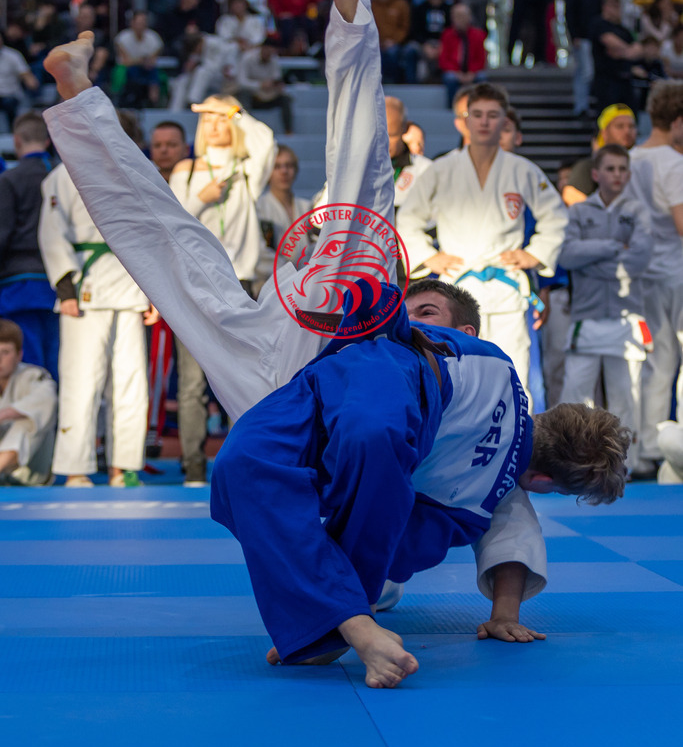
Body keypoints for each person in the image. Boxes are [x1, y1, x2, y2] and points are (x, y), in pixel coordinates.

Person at [42, 0, 555, 640]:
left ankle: (77, 95)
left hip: (273, 391)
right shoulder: (406, 340)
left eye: (430, 312)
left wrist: (502, 613)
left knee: (162, 251)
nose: (417, 315)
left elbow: (509, 517)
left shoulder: (485, 421)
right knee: (358, 182)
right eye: (417, 305)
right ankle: (348, 5)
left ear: (461, 336)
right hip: (334, 337)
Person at [210, 276, 629, 686]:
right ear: (542, 482)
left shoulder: (497, 363)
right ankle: (343, 621)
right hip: (386, 392)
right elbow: (425, 546)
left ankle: (342, 620)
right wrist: (503, 614)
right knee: (375, 448)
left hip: (338, 379)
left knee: (240, 466)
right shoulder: (479, 504)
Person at [397, 82, 568, 399]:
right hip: (457, 285)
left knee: (513, 376)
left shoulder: (522, 170)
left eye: (493, 115)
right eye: (477, 114)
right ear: (465, 121)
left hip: (505, 286)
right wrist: (429, 256)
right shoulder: (441, 170)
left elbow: (556, 216)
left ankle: (517, 432)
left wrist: (534, 254)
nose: (485, 122)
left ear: (504, 120)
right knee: (457, 375)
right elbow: (408, 219)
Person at [168, 96, 276, 483]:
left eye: (222, 119)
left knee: (242, 375)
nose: (215, 125)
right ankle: (194, 466)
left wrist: (235, 110)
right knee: (192, 381)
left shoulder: (248, 168)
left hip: (239, 282)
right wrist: (201, 199)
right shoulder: (187, 170)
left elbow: (266, 140)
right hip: (195, 284)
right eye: (209, 119)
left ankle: (240, 462)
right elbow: (171, 223)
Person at [37, 126, 150, 488]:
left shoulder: (132, 172)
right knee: (82, 380)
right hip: (85, 287)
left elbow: (151, 235)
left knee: (132, 382)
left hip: (130, 285)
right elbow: (51, 233)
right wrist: (65, 288)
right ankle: (76, 468)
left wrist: (154, 292)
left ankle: (123, 466)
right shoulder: (62, 176)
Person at [559, 145, 652, 438]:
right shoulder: (579, 212)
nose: (617, 175)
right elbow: (567, 256)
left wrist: (589, 263)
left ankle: (627, 461)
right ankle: (570, 457)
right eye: (610, 169)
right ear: (596, 174)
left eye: (622, 169)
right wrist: (612, 247)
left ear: (629, 174)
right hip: (586, 318)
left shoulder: (638, 211)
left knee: (626, 399)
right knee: (575, 398)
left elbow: (638, 261)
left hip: (627, 318)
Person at [624, 81, 683, 478]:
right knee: (669, 360)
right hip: (674, 272)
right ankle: (667, 443)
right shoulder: (674, 163)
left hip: (638, 273)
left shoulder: (629, 158)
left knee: (651, 361)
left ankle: (646, 446)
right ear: (677, 121)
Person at [0, 113, 58, 380]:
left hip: (18, 283)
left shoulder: (9, 180)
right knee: (59, 356)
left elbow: (2, 234)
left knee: (28, 361)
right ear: (47, 141)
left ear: (17, 141)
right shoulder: (63, 176)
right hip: (59, 281)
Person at [0, 318, 57, 485]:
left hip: (31, 472)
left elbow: (47, 399)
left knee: (27, 421)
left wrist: (5, 414)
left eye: (5, 352)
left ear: (19, 355)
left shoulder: (34, 376)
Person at [562, 104, 637, 206]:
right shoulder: (587, 167)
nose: (627, 131)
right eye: (620, 126)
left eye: (631, 126)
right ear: (604, 133)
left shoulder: (643, 162)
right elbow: (572, 201)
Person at [564, 0, 603, 117]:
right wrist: (574, 35)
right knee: (585, 72)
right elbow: (570, 14)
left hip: (593, 36)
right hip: (581, 37)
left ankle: (583, 104)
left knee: (585, 71)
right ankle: (581, 105)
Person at [590, 0, 642, 110]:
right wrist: (628, 51)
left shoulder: (623, 29)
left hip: (625, 79)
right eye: (613, 6)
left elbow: (638, 49)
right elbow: (611, 42)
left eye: (618, 6)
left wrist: (622, 52)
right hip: (606, 80)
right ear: (605, 6)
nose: (616, 9)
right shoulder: (599, 24)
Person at [236, 36, 294, 135]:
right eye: (267, 51)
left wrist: (277, 86)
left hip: (268, 95)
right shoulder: (248, 58)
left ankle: (288, 130)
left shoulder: (274, 60)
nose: (269, 54)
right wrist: (259, 85)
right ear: (262, 49)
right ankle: (246, 128)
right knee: (243, 94)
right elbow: (241, 82)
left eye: (271, 53)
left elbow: (277, 79)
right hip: (252, 95)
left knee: (286, 99)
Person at [438, 3, 488, 108]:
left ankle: (480, 107)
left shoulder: (478, 35)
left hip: (472, 72)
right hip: (454, 72)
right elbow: (443, 60)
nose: (460, 19)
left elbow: (481, 59)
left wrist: (471, 73)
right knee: (450, 78)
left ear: (469, 18)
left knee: (482, 77)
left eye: (463, 16)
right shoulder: (447, 35)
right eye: (457, 16)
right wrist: (458, 74)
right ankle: (453, 108)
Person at [113, 11, 164, 106]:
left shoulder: (153, 37)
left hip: (147, 68)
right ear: (132, 23)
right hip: (129, 69)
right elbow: (125, 61)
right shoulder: (122, 38)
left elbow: (153, 59)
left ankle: (154, 102)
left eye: (143, 22)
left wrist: (144, 62)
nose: (141, 25)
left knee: (153, 72)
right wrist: (140, 61)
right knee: (130, 72)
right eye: (139, 23)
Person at [0, 32, 40, 130]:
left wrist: (31, 81)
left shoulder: (13, 55)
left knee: (8, 103)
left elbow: (25, 74)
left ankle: (13, 131)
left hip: (10, 95)